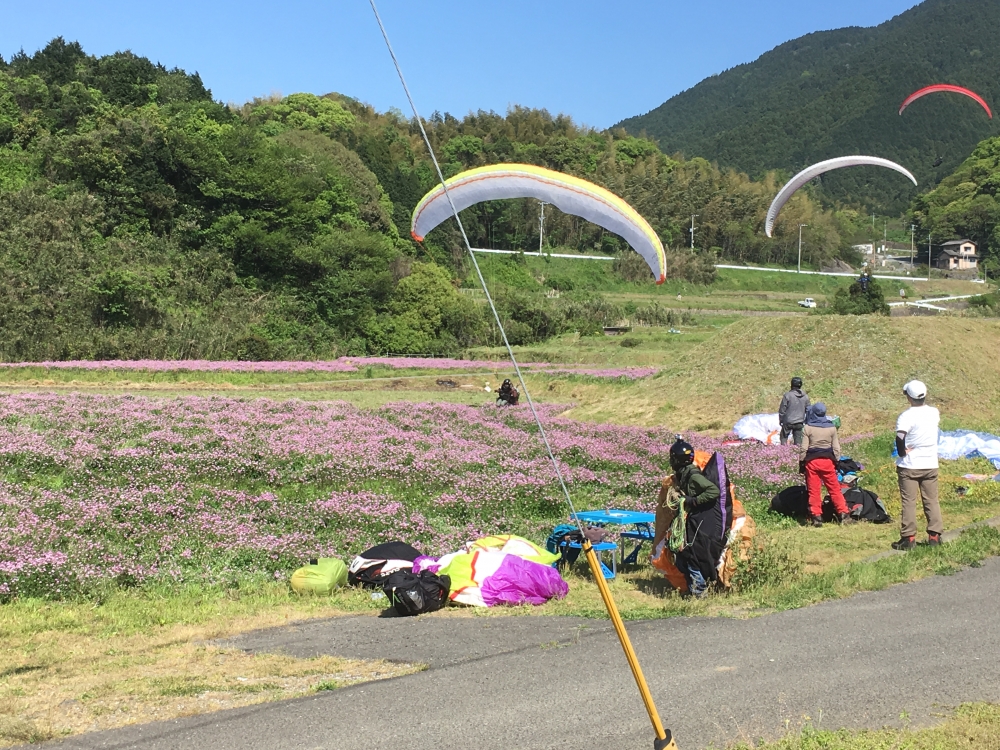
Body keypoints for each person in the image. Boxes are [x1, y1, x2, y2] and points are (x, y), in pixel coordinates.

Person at [667, 439, 722, 598]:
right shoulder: (684, 473)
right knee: (682, 554)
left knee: (692, 555)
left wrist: (692, 501)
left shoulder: (693, 475)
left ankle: (699, 593)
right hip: (695, 519)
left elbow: (713, 491)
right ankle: (694, 589)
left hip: (702, 522)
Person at [892, 380, 943, 550]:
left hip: (910, 465)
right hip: (930, 463)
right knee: (931, 500)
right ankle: (934, 536)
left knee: (909, 502)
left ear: (908, 397)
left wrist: (901, 453)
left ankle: (909, 538)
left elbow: (900, 437)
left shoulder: (906, 416)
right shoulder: (934, 412)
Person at [800, 403, 851, 527]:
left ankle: (816, 517)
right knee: (834, 489)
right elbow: (836, 447)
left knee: (814, 491)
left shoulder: (808, 428)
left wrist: (802, 461)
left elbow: (803, 448)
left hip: (812, 462)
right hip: (828, 462)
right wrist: (837, 461)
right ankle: (843, 514)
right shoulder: (832, 428)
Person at [778, 377, 810, 446]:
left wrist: (781, 420)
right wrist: (806, 421)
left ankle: (783, 451)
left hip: (788, 422)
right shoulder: (805, 397)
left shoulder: (787, 395)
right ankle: (796, 453)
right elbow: (808, 410)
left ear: (791, 385)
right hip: (799, 422)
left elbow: (782, 410)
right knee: (798, 440)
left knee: (783, 437)